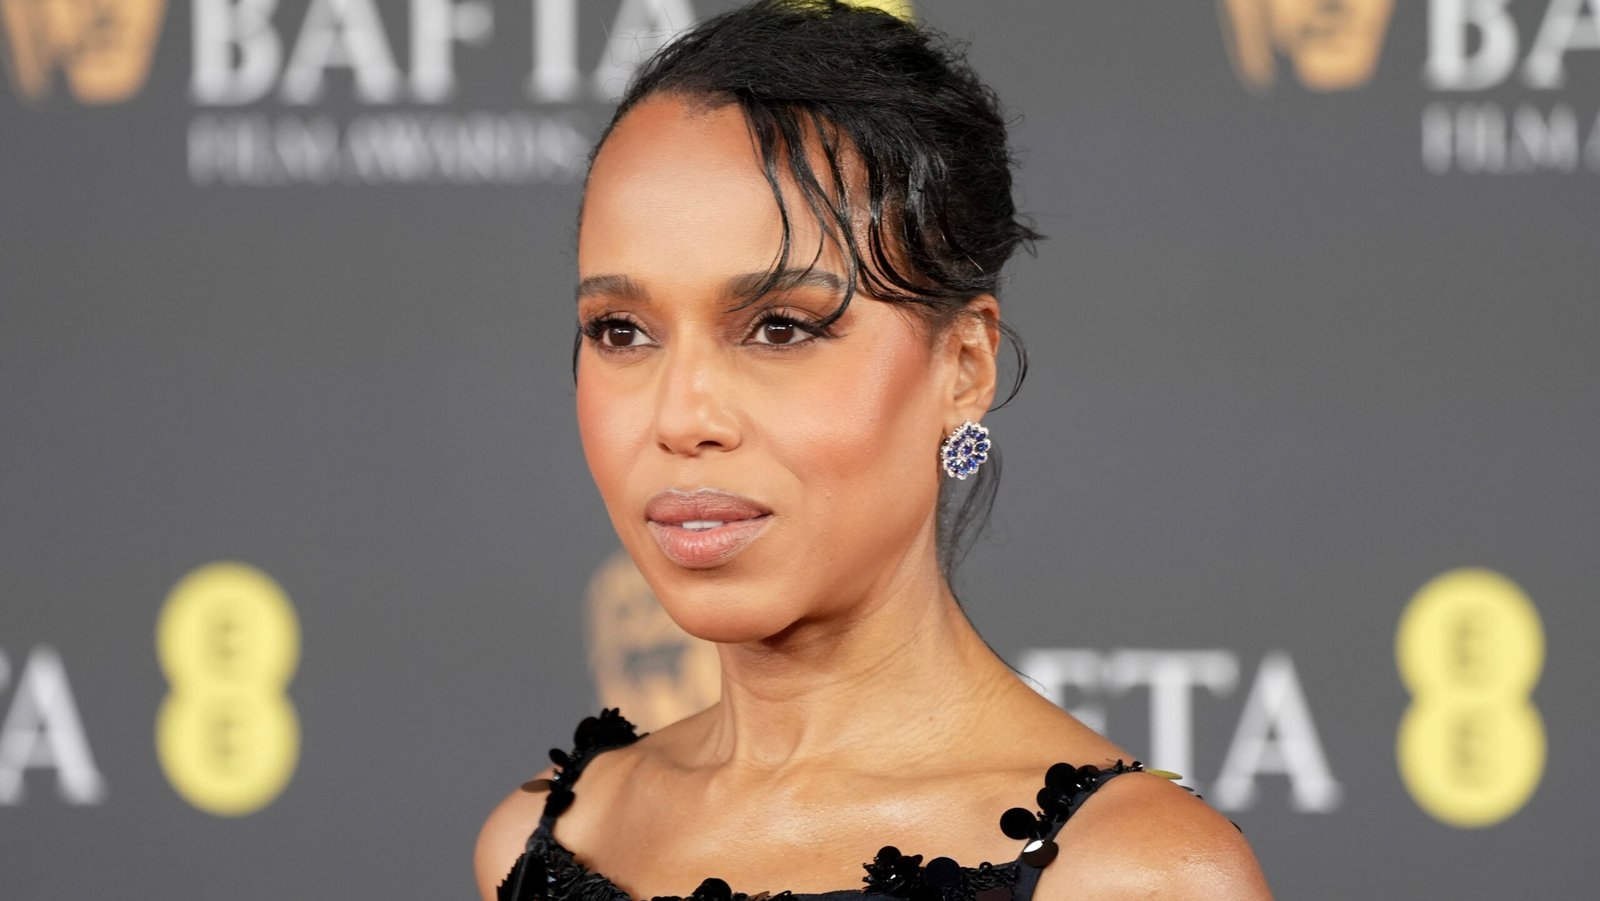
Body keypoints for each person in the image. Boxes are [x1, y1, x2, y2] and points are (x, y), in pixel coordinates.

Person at [476, 2, 1272, 898]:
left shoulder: (1134, 875)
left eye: (780, 327)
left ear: (963, 366)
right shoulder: (543, 836)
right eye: (621, 330)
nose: (681, 416)